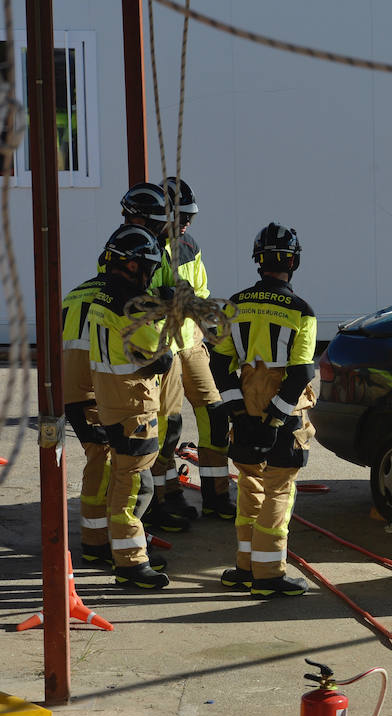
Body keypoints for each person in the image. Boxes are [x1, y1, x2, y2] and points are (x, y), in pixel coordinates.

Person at [209, 223, 315, 598]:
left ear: (258, 261)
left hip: (245, 402)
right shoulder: (301, 311)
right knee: (279, 490)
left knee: (250, 484)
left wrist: (238, 412)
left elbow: (220, 364)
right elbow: (301, 371)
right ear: (294, 262)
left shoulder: (233, 305)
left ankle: (246, 567)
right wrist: (276, 419)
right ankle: (269, 575)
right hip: (281, 407)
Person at [86, 225, 174, 589]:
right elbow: (163, 358)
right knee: (134, 486)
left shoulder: (102, 296)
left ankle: (126, 553)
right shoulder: (128, 307)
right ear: (135, 266)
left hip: (111, 404)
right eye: (149, 267)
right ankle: (131, 564)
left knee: (124, 481)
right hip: (134, 408)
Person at [144, 176, 234, 529]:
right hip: (160, 346)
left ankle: (216, 495)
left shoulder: (189, 246)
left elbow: (200, 291)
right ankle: (162, 498)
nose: (187, 223)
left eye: (190, 216)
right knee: (168, 426)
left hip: (190, 341)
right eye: (181, 216)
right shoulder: (141, 246)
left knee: (214, 413)